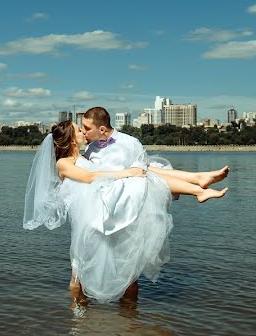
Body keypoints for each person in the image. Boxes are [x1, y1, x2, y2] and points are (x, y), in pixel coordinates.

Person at [24, 120, 173, 303]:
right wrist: (127, 173)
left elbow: (102, 174)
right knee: (79, 269)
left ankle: (128, 320)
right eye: (79, 130)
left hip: (103, 215)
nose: (83, 132)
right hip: (87, 221)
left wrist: (137, 171)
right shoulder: (63, 163)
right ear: (72, 139)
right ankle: (78, 319)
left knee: (126, 271)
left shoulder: (87, 157)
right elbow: (88, 177)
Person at [81, 106, 229, 202]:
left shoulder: (130, 143)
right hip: (108, 200)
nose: (83, 131)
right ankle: (197, 180)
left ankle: (198, 183)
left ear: (101, 129)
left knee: (148, 172)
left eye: (86, 128)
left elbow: (144, 172)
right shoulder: (89, 149)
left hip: (133, 198)